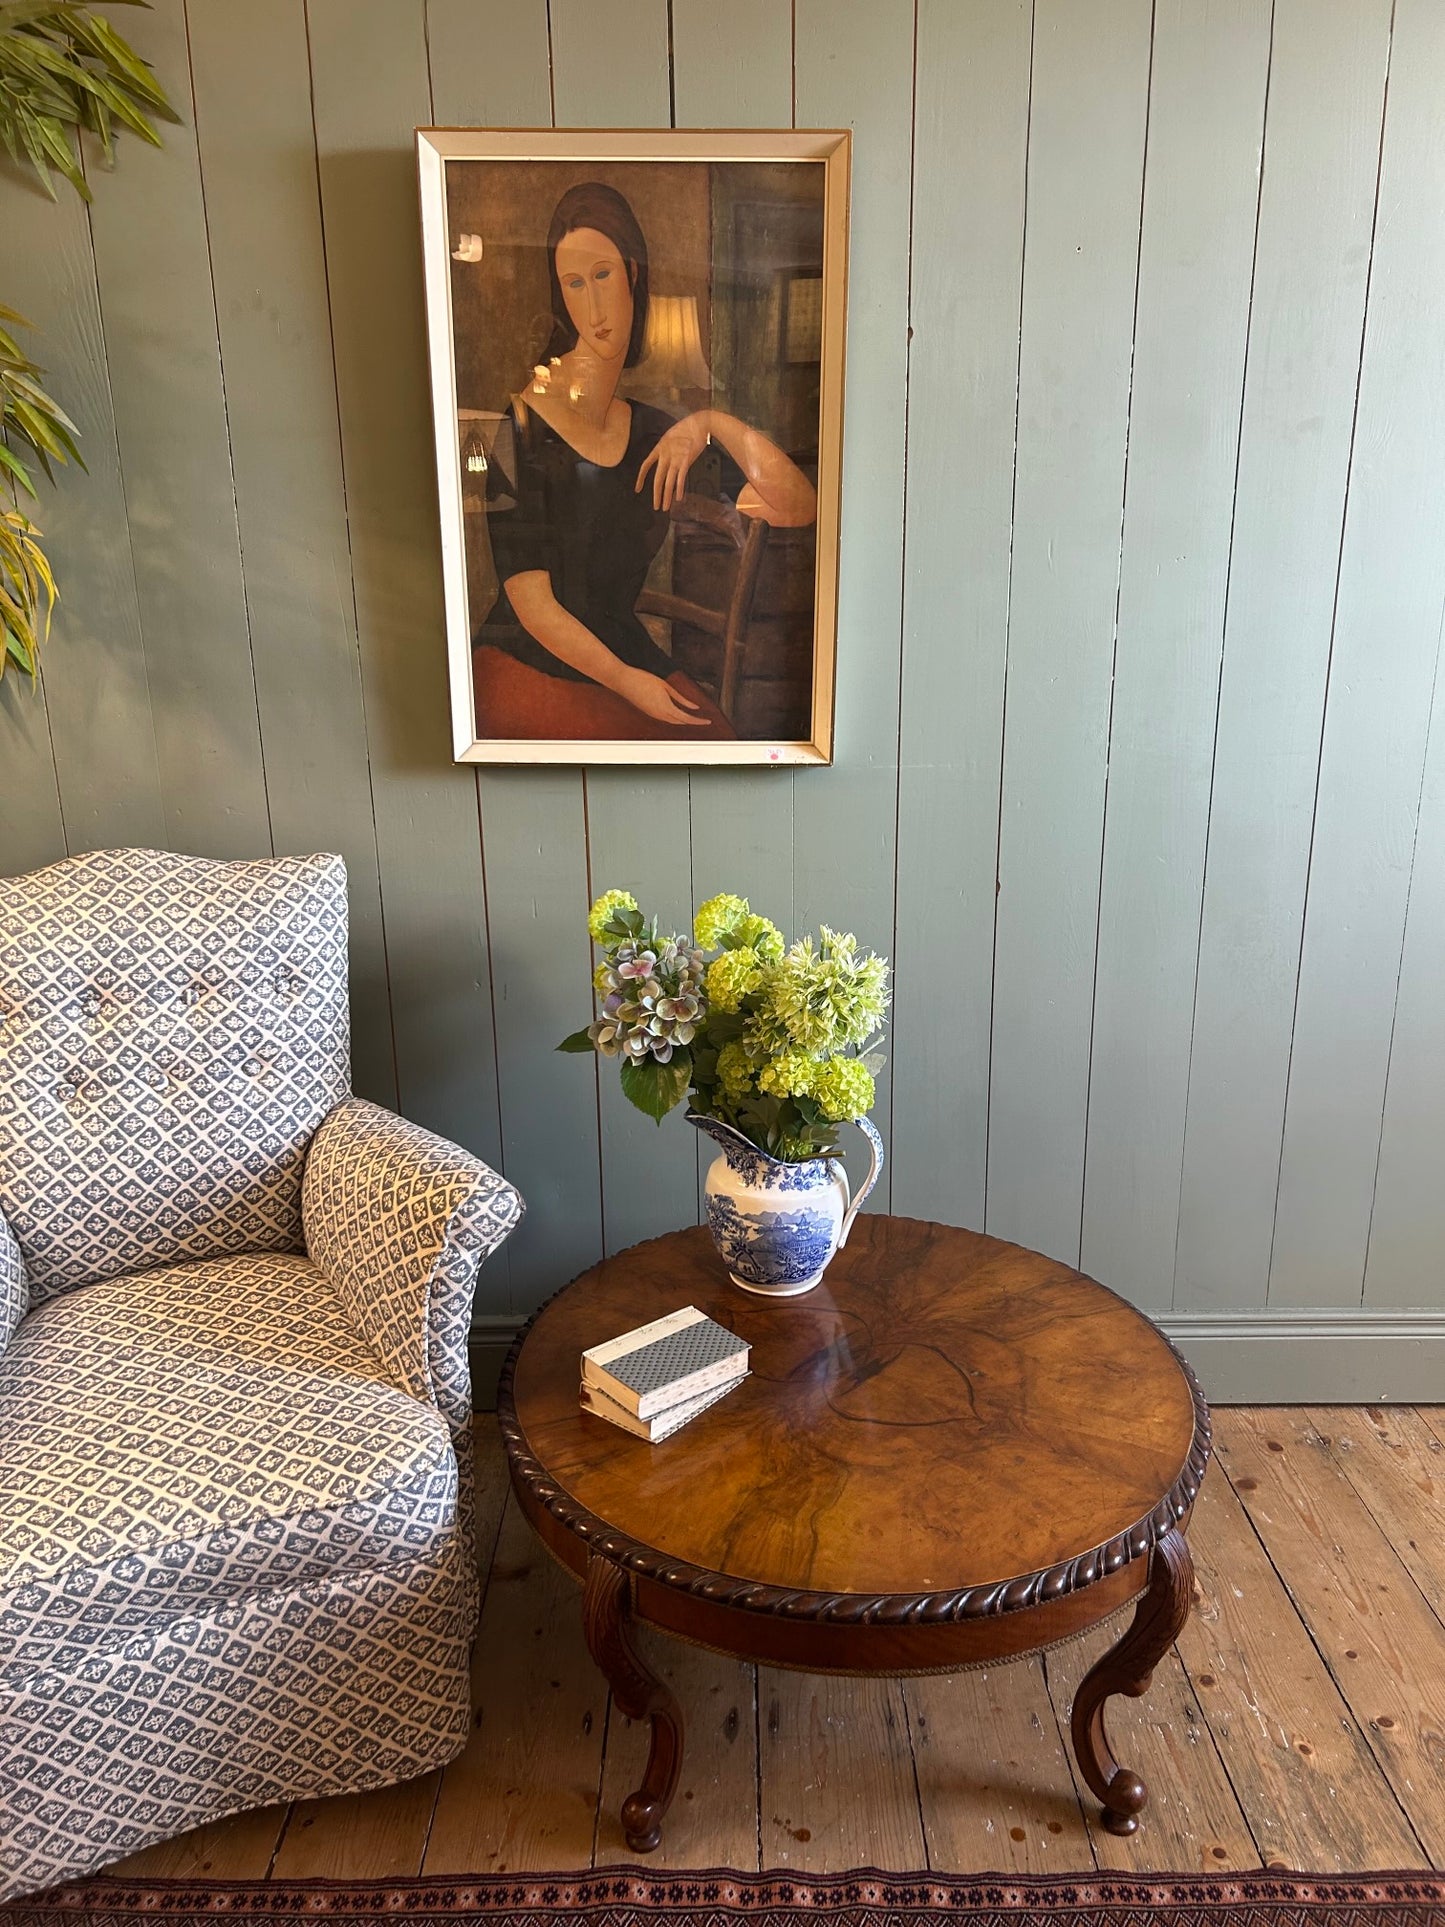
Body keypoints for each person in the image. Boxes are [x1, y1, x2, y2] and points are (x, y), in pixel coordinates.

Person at [473, 181, 817, 741]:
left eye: (604, 275)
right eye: (574, 284)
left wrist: (709, 424)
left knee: (720, 744)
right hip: (525, 661)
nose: (594, 306)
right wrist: (630, 683)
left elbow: (801, 505)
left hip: (622, 648)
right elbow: (530, 603)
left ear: (633, 272)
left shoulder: (660, 434)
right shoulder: (517, 425)